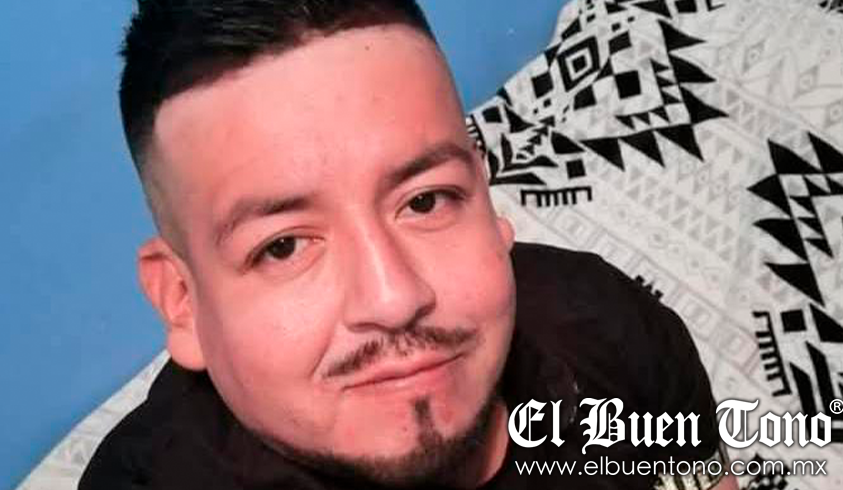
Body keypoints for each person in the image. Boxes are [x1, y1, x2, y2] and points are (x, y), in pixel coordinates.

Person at [80, 1, 737, 489]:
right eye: (283, 246)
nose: (393, 299)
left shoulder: (605, 322)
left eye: (425, 201)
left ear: (485, 201)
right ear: (183, 302)